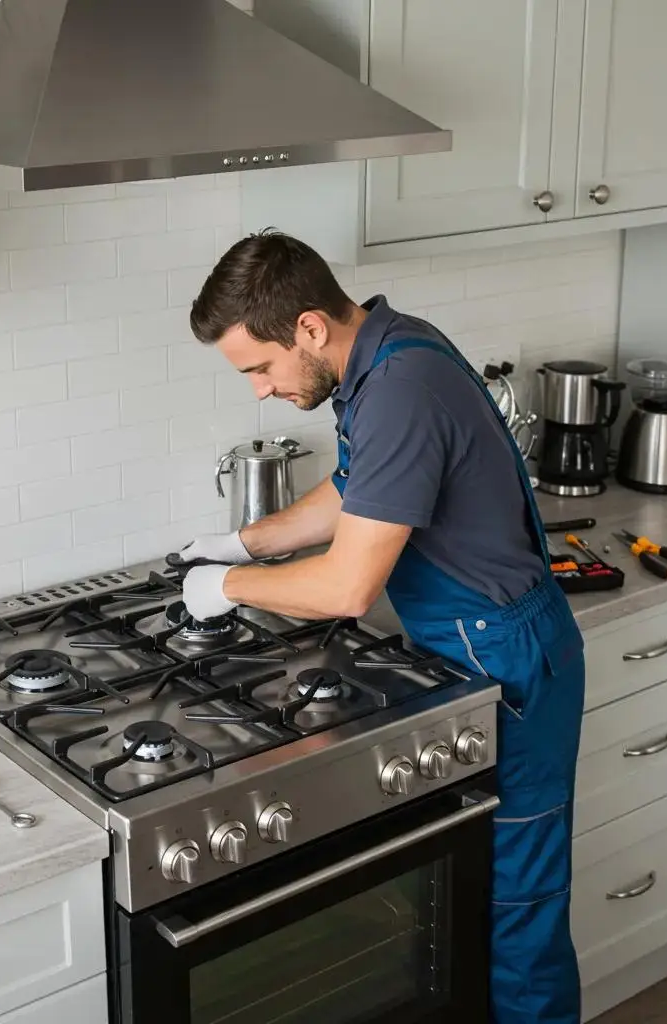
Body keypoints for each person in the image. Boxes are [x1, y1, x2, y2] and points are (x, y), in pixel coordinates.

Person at [174, 228, 586, 1024]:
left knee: (518, 910)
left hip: (511, 660)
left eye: (258, 367)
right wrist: (241, 541)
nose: (258, 390)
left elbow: (346, 587)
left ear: (309, 328)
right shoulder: (390, 346)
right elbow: (355, 488)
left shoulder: (401, 385)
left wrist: (229, 585)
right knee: (474, 901)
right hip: (474, 649)